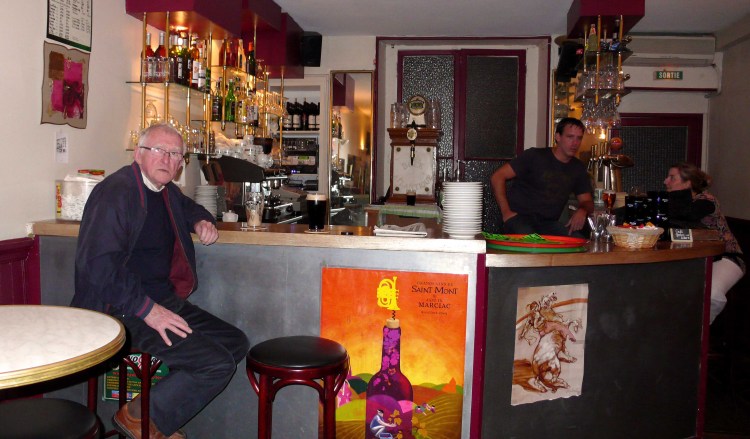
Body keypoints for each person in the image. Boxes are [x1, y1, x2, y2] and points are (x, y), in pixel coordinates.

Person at [71, 123, 249, 438]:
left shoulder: (165, 190)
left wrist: (201, 219)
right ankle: (141, 418)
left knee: (234, 342)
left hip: (160, 301)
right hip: (120, 309)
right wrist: (148, 311)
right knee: (215, 364)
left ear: (181, 163)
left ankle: (147, 416)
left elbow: (189, 206)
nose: (168, 159)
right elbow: (98, 267)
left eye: (175, 154)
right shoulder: (116, 193)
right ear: (138, 154)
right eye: (159, 151)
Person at [664, 162, 745, 323]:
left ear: (688, 183)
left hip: (727, 257)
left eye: (672, 178)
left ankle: (701, 332)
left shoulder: (706, 200)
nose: (666, 181)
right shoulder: (677, 203)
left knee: (712, 293)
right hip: (699, 258)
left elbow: (686, 214)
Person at [490, 117, 594, 237]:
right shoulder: (535, 156)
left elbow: (587, 201)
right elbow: (497, 176)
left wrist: (582, 210)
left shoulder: (577, 168)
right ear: (558, 137)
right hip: (519, 218)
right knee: (530, 240)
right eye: (570, 137)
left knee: (578, 240)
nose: (575, 143)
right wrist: (506, 213)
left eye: (579, 138)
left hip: (548, 224)